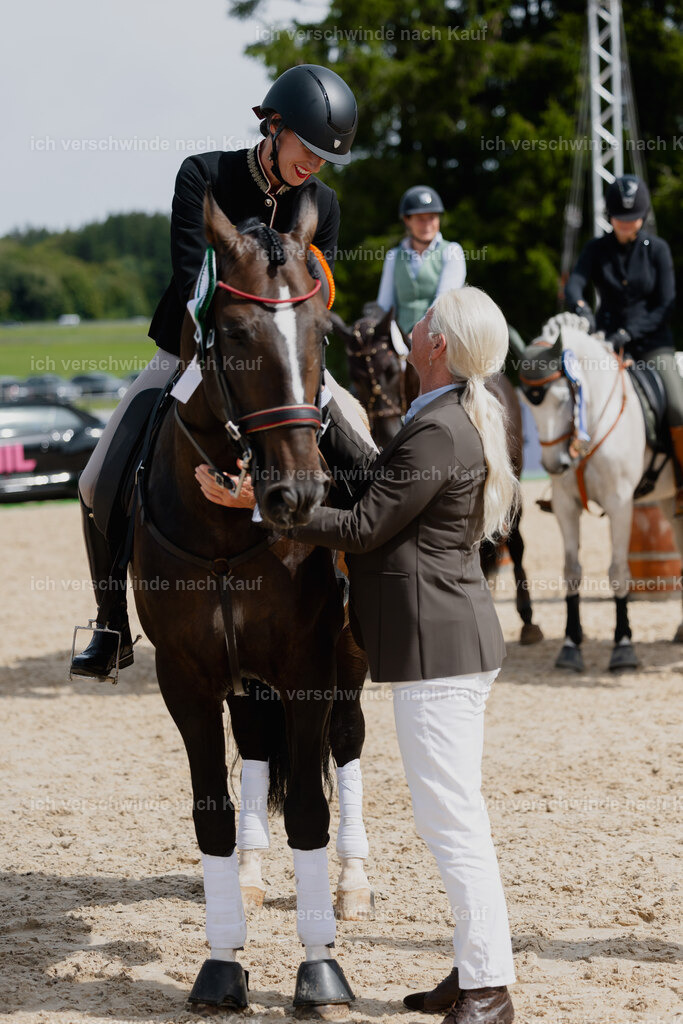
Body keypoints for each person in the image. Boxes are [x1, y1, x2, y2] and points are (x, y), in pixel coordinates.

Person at [197, 286, 519, 1024]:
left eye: (425, 322)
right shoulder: (434, 417)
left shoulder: (438, 429)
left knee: (451, 824)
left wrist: (261, 505)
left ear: (437, 345)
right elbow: (379, 484)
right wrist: (320, 416)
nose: (414, 323)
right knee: (453, 818)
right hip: (438, 643)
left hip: (436, 646)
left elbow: (368, 524)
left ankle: (489, 989)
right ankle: (473, 968)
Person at [71, 64, 359, 679]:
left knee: (363, 449)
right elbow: (188, 275)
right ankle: (111, 622)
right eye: (307, 149)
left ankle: (362, 600)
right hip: (193, 354)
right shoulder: (204, 175)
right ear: (273, 126)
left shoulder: (323, 204)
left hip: (287, 368)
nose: (314, 165)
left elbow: (316, 296)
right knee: (96, 482)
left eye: (325, 157)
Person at [565, 174, 681, 510]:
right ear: (609, 217)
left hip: (652, 344)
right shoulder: (596, 249)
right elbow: (575, 286)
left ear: (643, 216)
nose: (626, 225)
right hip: (606, 343)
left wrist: (629, 333)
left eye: (632, 220)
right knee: (572, 395)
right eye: (619, 220)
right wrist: (583, 310)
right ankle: (565, 479)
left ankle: (682, 477)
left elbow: (665, 304)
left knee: (677, 405)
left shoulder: (658, 250)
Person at [376, 186, 467, 335]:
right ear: (407, 220)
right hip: (400, 339)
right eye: (420, 219)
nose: (427, 225)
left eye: (431, 217)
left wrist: (418, 335)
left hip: (442, 335)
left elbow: (443, 302)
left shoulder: (452, 252)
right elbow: (385, 305)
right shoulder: (393, 256)